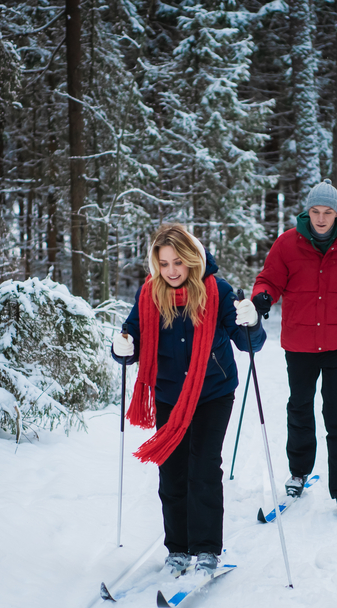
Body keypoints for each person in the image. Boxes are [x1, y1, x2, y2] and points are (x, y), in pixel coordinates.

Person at [113, 224, 264, 577]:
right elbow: (131, 339)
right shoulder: (149, 295)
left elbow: (250, 344)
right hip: (169, 393)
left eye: (178, 262)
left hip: (213, 392)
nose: (171, 271)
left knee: (204, 467)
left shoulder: (218, 291)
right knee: (172, 471)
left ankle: (207, 550)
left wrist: (252, 323)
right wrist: (121, 349)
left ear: (192, 259)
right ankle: (178, 550)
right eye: (164, 263)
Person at [251, 179, 337, 518]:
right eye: (315, 211)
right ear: (307, 212)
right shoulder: (287, 243)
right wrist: (262, 297)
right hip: (299, 342)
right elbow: (269, 279)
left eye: (327, 212)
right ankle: (298, 473)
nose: (320, 218)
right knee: (299, 407)